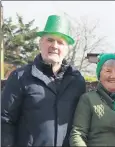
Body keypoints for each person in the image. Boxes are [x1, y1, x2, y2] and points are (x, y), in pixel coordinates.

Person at [1, 15, 86, 146]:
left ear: (67, 49)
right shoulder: (21, 77)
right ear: (40, 43)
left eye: (60, 42)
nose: (54, 46)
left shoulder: (77, 80)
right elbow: (5, 120)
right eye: (50, 40)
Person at [69, 53, 115, 147]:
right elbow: (78, 134)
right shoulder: (88, 99)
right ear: (99, 75)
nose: (113, 76)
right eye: (108, 71)